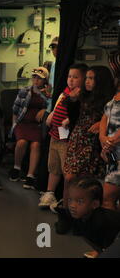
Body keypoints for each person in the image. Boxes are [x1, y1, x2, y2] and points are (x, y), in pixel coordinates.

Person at [61, 66, 115, 210]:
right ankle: (66, 211)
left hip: (93, 143)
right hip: (78, 138)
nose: (87, 82)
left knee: (86, 182)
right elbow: (73, 117)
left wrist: (101, 122)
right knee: (69, 177)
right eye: (87, 78)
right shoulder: (82, 95)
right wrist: (72, 100)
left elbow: (113, 119)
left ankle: (84, 214)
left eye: (92, 79)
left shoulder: (109, 100)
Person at [39, 64, 88, 209]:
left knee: (66, 168)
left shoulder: (81, 96)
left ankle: (66, 200)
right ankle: (49, 193)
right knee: (53, 166)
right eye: (69, 76)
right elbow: (58, 104)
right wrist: (52, 114)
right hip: (55, 135)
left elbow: (79, 115)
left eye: (75, 77)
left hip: (67, 140)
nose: (71, 80)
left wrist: (69, 120)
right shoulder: (65, 92)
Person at [54, 175, 120, 258]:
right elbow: (89, 239)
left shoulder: (102, 222)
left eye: (80, 201)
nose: (72, 205)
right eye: (70, 200)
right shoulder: (78, 216)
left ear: (95, 204)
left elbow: (113, 246)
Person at [9, 67, 50, 189]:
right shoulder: (25, 91)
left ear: (45, 80)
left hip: (36, 126)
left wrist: (44, 109)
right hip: (22, 123)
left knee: (35, 145)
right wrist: (14, 126)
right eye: (34, 77)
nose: (36, 80)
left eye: (39, 78)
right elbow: (15, 110)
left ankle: (30, 175)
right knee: (21, 142)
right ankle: (16, 168)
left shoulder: (48, 94)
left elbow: (52, 107)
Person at [99, 78, 120, 211]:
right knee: (108, 200)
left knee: (107, 197)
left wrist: (111, 141)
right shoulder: (113, 99)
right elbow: (104, 118)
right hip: (112, 155)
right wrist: (103, 139)